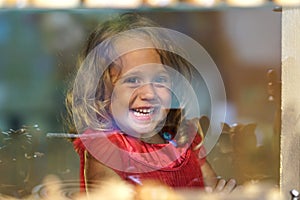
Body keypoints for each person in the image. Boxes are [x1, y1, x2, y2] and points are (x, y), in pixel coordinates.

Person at [65, 13, 236, 194]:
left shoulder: (182, 140)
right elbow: (107, 194)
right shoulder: (106, 146)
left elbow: (212, 190)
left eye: (160, 80)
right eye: (133, 80)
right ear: (100, 92)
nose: (149, 93)